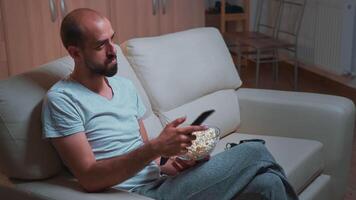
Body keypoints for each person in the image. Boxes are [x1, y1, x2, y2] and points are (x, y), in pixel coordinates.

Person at [42, 8, 298, 200]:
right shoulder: (62, 100)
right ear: (75, 52)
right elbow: (89, 177)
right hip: (135, 194)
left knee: (268, 185)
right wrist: (155, 148)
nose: (113, 50)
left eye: (112, 39)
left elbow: (147, 160)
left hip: (162, 183)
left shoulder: (124, 87)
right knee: (253, 151)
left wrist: (169, 165)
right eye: (101, 45)